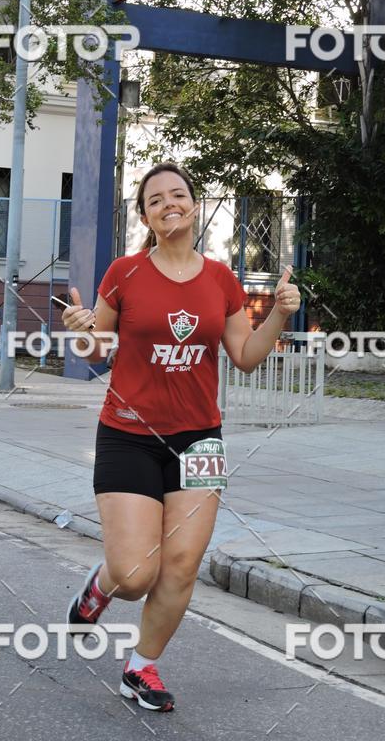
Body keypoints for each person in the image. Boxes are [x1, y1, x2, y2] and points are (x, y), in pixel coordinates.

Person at [61, 162, 301, 712]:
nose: (169, 203)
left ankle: (141, 666)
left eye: (179, 194)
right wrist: (83, 332)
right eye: (155, 199)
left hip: (201, 441)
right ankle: (99, 589)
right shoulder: (123, 273)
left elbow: (243, 356)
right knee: (135, 572)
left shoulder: (221, 279)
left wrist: (280, 317)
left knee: (183, 565)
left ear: (194, 205)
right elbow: (97, 349)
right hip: (128, 435)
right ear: (145, 216)